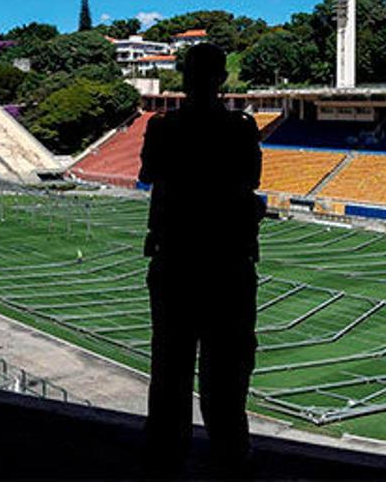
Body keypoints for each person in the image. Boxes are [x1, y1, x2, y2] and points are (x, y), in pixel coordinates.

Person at [138, 43, 263, 473]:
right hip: (227, 265)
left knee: (170, 369)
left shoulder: (163, 128)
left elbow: (148, 175)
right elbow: (249, 180)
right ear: (222, 78)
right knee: (227, 376)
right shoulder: (241, 128)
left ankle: (165, 457)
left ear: (184, 77)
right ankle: (231, 456)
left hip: (175, 262)